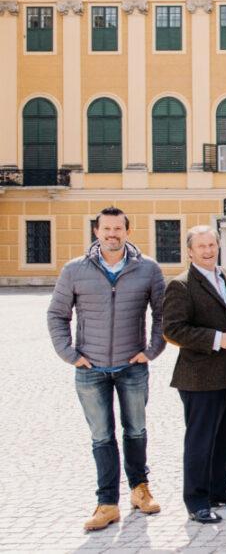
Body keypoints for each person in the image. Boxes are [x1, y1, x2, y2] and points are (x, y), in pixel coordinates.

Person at [47, 206, 165, 532]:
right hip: (90, 368)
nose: (112, 234)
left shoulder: (148, 270)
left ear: (127, 231)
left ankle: (140, 490)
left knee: (136, 430)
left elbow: (162, 314)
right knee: (101, 437)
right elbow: (57, 315)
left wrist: (152, 350)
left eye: (118, 229)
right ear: (96, 232)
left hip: (132, 366)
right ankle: (107, 503)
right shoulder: (74, 270)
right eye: (106, 229)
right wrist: (69, 354)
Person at [163, 225, 226, 524]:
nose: (208, 250)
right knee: (200, 441)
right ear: (190, 251)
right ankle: (197, 500)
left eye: (211, 245)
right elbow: (173, 330)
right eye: (201, 246)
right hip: (199, 376)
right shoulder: (181, 285)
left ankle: (219, 489)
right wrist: (215, 339)